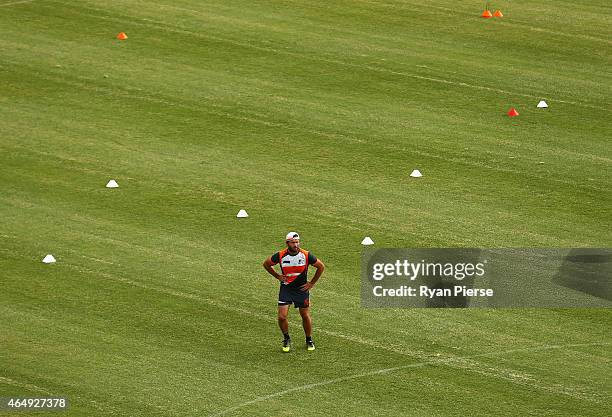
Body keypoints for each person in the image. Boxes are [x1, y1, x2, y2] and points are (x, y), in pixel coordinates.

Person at [263, 232, 325, 352]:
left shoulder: (306, 255)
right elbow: (266, 264)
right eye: (293, 242)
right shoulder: (280, 255)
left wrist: (311, 283)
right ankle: (286, 338)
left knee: (305, 315)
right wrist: (277, 276)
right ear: (287, 243)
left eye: (297, 242)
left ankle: (309, 339)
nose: (296, 245)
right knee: (282, 317)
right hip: (286, 288)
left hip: (302, 289)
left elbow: (321, 266)